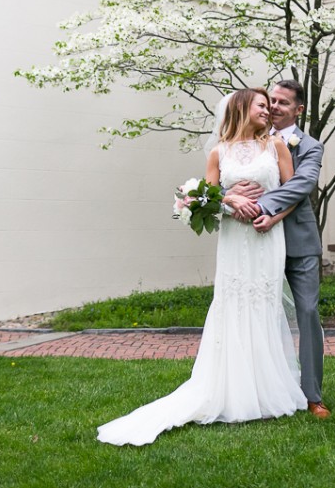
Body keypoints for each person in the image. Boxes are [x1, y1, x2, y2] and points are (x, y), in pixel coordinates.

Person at [96, 88, 308, 446]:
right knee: (234, 306)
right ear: (242, 108)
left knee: (263, 304)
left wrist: (272, 218)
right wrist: (230, 198)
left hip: (266, 238)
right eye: (261, 105)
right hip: (234, 242)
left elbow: (294, 193)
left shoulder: (277, 147)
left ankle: (267, 389)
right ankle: (231, 390)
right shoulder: (218, 152)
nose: (268, 110)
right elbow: (206, 200)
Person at [226, 80, 328, 419]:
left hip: (297, 242)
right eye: (270, 100)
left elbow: (302, 184)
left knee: (308, 313)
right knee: (257, 312)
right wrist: (229, 198)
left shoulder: (309, 146)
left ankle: (313, 395)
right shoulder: (241, 145)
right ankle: (260, 390)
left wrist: (262, 205)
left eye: (283, 102)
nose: (273, 107)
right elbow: (218, 184)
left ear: (299, 110)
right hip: (256, 244)